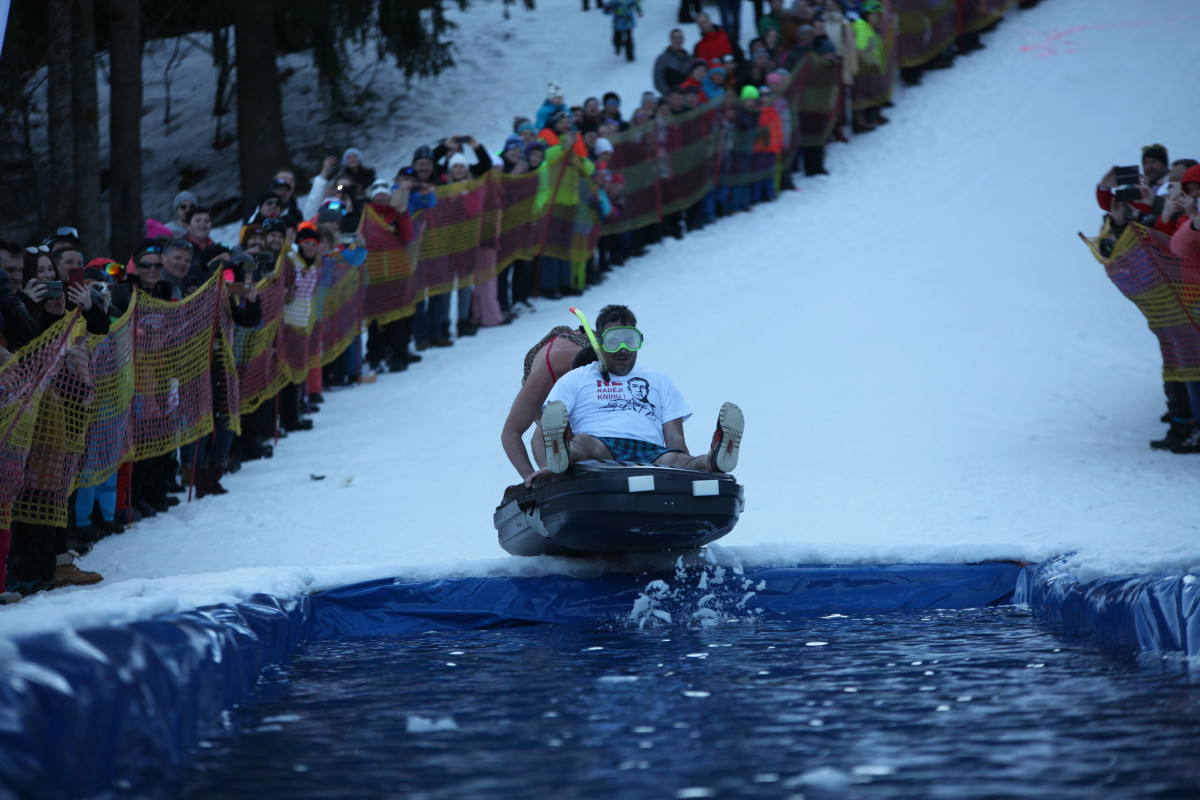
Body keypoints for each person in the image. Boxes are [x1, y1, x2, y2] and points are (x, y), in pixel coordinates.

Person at [534, 305, 744, 484]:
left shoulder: (659, 380)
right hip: (601, 449)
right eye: (614, 341)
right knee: (583, 444)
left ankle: (715, 458)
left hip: (651, 454)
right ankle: (562, 455)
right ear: (599, 343)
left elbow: (675, 438)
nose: (623, 348)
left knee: (679, 460)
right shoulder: (576, 379)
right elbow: (539, 435)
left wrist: (684, 470)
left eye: (630, 340)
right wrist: (547, 469)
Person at [501, 315, 602, 483]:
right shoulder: (543, 378)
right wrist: (532, 479)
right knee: (553, 427)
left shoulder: (608, 369)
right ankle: (553, 476)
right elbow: (511, 433)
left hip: (591, 348)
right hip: (551, 358)